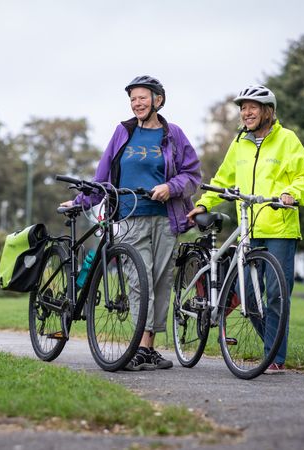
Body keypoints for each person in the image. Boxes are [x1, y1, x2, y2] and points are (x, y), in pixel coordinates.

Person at [61, 75, 201, 371]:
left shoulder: (173, 134)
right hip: (129, 215)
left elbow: (192, 175)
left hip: (166, 219)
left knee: (161, 281)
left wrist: (171, 187)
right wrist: (80, 202)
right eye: (133, 99)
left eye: (143, 98)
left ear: (158, 100)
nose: (137, 103)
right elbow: (102, 177)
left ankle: (147, 348)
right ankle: (139, 346)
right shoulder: (122, 133)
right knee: (140, 281)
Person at [186, 85, 304, 374]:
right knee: (246, 292)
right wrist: (205, 203)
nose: (246, 113)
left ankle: (275, 357)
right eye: (243, 108)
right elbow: (223, 178)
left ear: (267, 111)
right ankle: (272, 349)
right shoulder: (240, 143)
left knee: (275, 294)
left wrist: (291, 195)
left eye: (252, 108)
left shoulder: (287, 139)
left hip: (279, 228)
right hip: (249, 228)